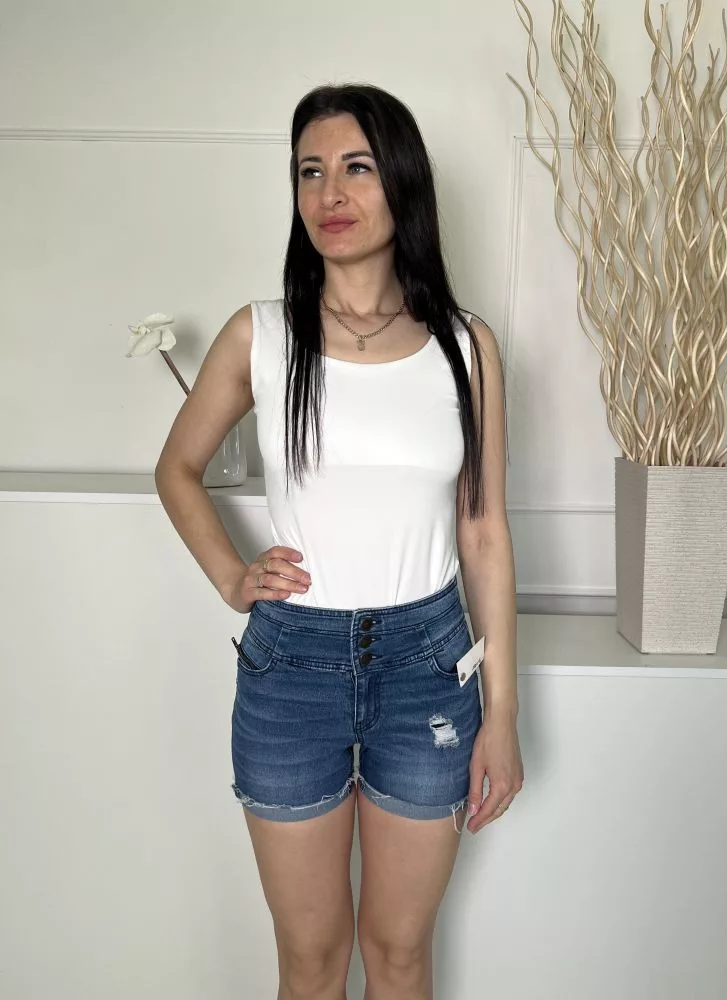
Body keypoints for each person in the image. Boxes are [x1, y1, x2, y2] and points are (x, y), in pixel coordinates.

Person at [155, 82, 523, 1000]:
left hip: (429, 667)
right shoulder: (260, 335)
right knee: (312, 962)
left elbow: (483, 532)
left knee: (398, 956)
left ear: (401, 180)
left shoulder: (465, 347)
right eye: (309, 171)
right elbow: (177, 469)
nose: (330, 193)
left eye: (356, 167)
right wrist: (232, 576)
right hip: (293, 668)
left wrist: (504, 716)